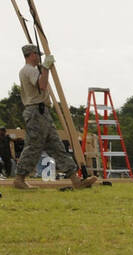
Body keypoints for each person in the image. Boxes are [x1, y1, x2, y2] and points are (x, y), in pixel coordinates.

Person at [12, 44, 95, 189]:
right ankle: (19, 178)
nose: (39, 57)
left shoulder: (32, 70)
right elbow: (42, 85)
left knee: (57, 146)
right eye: (38, 55)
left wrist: (44, 68)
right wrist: (45, 68)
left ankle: (75, 180)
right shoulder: (29, 70)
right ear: (32, 54)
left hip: (41, 112)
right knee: (33, 146)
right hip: (36, 112)